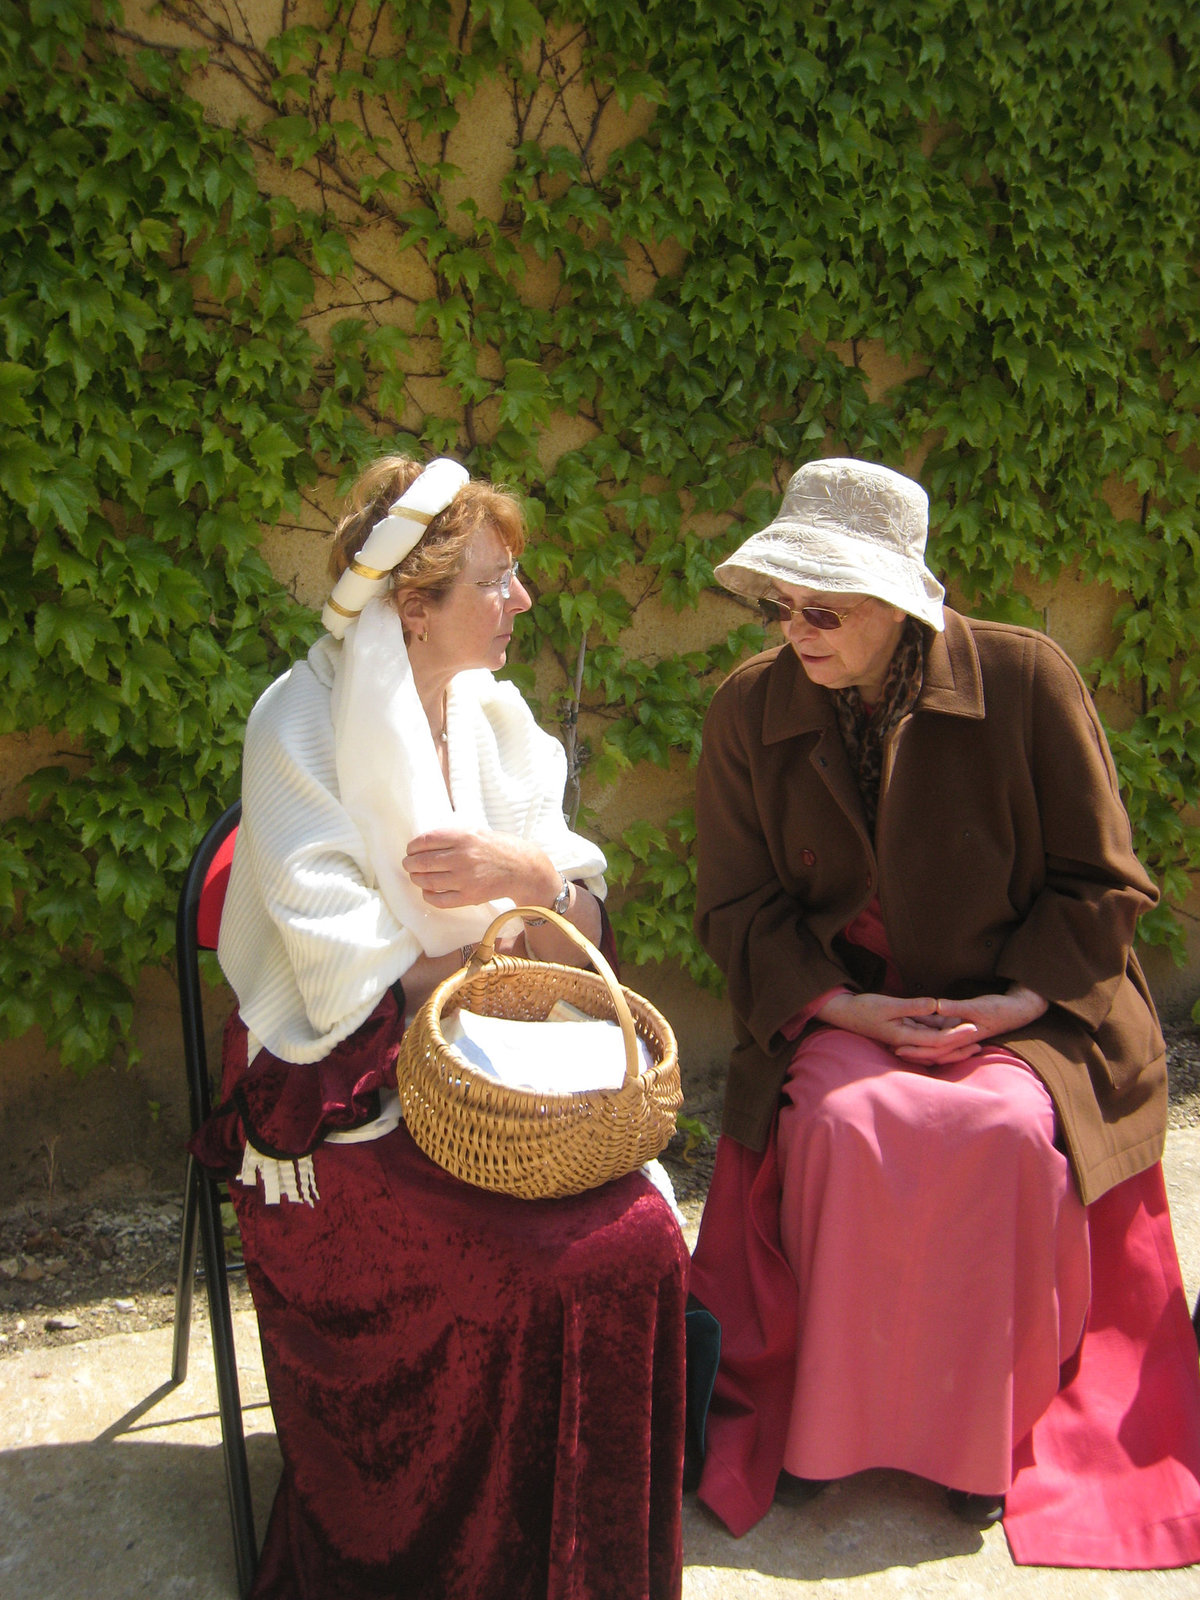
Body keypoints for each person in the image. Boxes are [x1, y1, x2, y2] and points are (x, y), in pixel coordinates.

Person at [190, 454, 688, 1600]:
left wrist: (526, 877)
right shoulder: (296, 723)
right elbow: (339, 974)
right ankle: (467, 1554)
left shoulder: (497, 720)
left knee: (643, 1236)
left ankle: (582, 1559)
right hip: (334, 1078)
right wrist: (507, 936)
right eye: (498, 582)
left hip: (491, 1056)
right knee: (534, 1270)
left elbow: (582, 930)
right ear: (414, 605)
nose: (522, 601)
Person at [687, 457, 1200, 1568]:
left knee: (1004, 1135)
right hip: (844, 1006)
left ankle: (976, 1452)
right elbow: (734, 905)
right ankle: (825, 1435)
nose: (795, 627)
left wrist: (1019, 1001)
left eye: (824, 606)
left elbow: (1103, 882)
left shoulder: (1027, 677)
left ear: (902, 602)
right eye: (781, 603)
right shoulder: (746, 707)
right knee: (841, 1127)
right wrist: (849, 1009)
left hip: (1021, 1007)